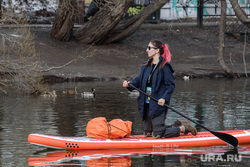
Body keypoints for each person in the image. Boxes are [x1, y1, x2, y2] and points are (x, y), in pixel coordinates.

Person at [123, 39, 197, 138]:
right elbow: (139, 80)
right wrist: (129, 84)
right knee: (147, 133)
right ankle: (175, 125)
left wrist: (164, 98)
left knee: (158, 134)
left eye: (149, 48)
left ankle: (183, 128)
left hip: (158, 103)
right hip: (146, 103)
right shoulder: (145, 65)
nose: (146, 50)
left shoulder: (165, 66)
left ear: (157, 50)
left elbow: (170, 85)